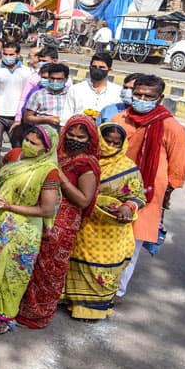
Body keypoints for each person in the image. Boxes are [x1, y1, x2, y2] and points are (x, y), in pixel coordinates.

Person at [16, 115, 100, 329]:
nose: (74, 139)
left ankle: (38, 314)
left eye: (81, 137)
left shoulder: (86, 165)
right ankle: (19, 306)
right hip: (40, 215)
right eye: (70, 134)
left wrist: (59, 175)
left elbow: (83, 200)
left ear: (89, 140)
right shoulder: (57, 153)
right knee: (30, 262)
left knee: (49, 270)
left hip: (63, 223)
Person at [111, 75, 185, 300]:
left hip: (147, 194)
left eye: (148, 96)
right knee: (103, 237)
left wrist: (169, 192)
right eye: (138, 95)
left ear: (160, 99)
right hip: (112, 189)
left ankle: (117, 291)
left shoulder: (170, 126)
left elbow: (180, 162)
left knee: (131, 245)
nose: (142, 99)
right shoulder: (120, 118)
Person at [0, 125, 60, 334]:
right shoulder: (14, 155)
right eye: (27, 140)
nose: (28, 145)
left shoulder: (48, 171)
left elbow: (46, 209)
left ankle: (2, 315)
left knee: (12, 273)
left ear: (46, 149)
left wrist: (10, 207)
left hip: (24, 228)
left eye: (34, 143)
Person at [63, 123, 145, 321]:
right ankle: (69, 299)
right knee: (74, 263)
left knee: (101, 268)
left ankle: (92, 309)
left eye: (115, 143)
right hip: (83, 223)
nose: (109, 145)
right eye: (106, 140)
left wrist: (127, 207)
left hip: (108, 229)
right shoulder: (81, 158)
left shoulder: (127, 167)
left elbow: (139, 196)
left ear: (122, 145)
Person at [0, 41, 33, 165]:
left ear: (17, 55)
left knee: (17, 148)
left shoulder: (27, 72)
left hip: (17, 116)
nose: (8, 57)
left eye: (11, 54)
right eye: (5, 54)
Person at [62, 53, 122, 123]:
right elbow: (65, 118)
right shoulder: (76, 89)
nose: (97, 69)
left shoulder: (118, 92)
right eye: (94, 66)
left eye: (101, 67)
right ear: (89, 67)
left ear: (109, 70)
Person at [23, 63, 70, 129]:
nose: (55, 81)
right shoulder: (38, 95)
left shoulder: (71, 94)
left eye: (59, 79)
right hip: (43, 134)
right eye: (52, 78)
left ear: (66, 79)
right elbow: (27, 118)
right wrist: (46, 119)